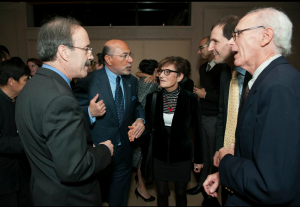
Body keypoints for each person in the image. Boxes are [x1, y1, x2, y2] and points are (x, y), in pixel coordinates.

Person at [203, 7, 300, 206]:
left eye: (237, 35)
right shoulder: (270, 80)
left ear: (265, 36)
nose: (231, 42)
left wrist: (227, 161)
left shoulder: (277, 87)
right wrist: (224, 174)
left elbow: (272, 184)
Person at [15, 16, 113, 206]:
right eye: (86, 49)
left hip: (45, 192)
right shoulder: (60, 99)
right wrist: (104, 151)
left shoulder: (31, 86)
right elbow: (74, 168)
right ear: (64, 52)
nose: (91, 56)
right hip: (70, 198)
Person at [73, 39, 145, 206]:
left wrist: (140, 119)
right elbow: (71, 112)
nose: (131, 60)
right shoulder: (87, 80)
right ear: (109, 59)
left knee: (118, 198)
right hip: (99, 151)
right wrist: (90, 112)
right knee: (95, 197)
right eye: (124, 56)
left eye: (130, 55)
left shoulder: (132, 81)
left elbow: (136, 105)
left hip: (125, 150)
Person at [130, 56, 203, 206]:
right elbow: (149, 126)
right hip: (159, 155)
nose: (162, 75)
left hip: (182, 156)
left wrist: (199, 159)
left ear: (180, 76)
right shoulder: (153, 98)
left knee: (181, 194)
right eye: (161, 71)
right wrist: (138, 130)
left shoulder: (191, 98)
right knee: (162, 193)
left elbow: (197, 131)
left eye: (168, 72)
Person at [206, 15, 252, 206]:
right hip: (227, 158)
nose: (210, 48)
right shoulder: (226, 72)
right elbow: (223, 115)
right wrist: (219, 148)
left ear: (233, 40)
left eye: (215, 41)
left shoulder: (257, 77)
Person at [186, 36, 225, 205]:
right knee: (201, 152)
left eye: (201, 47)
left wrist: (205, 95)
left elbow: (225, 97)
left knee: (213, 153)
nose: (198, 51)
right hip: (202, 113)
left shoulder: (224, 68)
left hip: (214, 116)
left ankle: (212, 188)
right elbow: (207, 90)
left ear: (211, 47)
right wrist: (201, 94)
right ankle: (202, 184)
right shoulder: (203, 68)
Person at [0, 59, 31, 206]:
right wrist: (28, 142)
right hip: (4, 177)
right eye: (25, 80)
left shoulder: (16, 100)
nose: (28, 84)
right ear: (11, 81)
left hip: (21, 171)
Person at [132, 59, 158, 202]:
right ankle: (141, 188)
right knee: (143, 157)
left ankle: (141, 183)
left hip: (142, 124)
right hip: (143, 125)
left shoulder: (142, 80)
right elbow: (140, 103)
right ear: (154, 70)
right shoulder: (148, 83)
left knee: (141, 156)